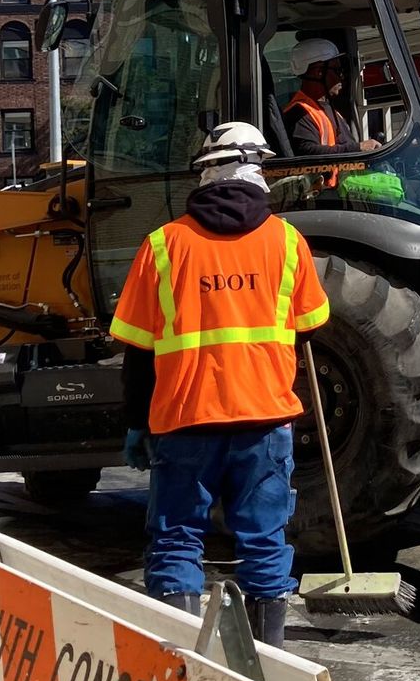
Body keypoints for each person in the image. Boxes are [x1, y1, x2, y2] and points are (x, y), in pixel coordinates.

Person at [113, 121, 330, 647]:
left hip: (185, 420)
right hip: (263, 419)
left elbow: (139, 350)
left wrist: (137, 423)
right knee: (264, 539)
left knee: (176, 538)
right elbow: (311, 326)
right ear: (259, 172)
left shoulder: (163, 246)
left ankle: (183, 660)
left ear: (205, 173)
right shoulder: (288, 242)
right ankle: (269, 658)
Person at [283, 37, 380, 156]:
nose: (341, 77)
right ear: (318, 72)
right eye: (337, 70)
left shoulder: (328, 110)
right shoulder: (299, 112)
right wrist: (358, 148)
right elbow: (307, 151)